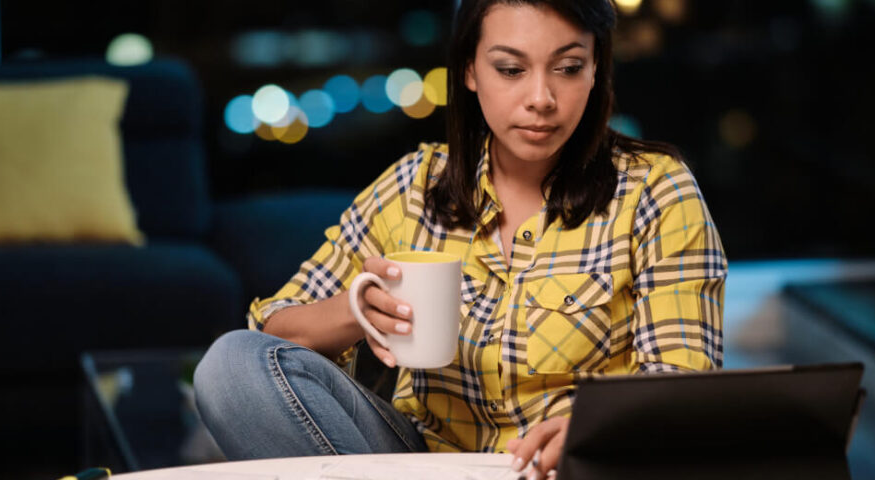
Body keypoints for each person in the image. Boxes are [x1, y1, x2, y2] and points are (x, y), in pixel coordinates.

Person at [194, 0, 727, 478]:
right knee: (229, 367)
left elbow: (678, 387)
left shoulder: (655, 189)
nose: (541, 98)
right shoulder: (413, 186)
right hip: (422, 463)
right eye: (510, 69)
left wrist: (589, 431)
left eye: (568, 68)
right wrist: (360, 312)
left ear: (595, 71)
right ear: (470, 70)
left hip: (571, 468)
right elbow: (274, 332)